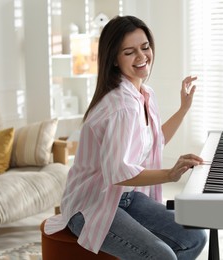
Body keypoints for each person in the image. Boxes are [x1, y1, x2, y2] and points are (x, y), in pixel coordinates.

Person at [45, 15, 207, 260]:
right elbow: (117, 172)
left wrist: (183, 108)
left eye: (145, 47)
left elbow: (155, 140)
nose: (142, 57)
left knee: (195, 237)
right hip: (91, 204)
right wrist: (170, 174)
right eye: (130, 52)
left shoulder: (143, 93)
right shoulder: (122, 105)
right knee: (163, 257)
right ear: (114, 60)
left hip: (125, 197)